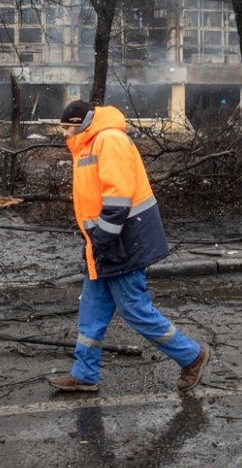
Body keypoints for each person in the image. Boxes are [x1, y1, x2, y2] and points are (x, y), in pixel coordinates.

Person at [49, 99, 210, 393]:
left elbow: (117, 198)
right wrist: (96, 244)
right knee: (91, 314)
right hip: (104, 245)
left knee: (135, 310)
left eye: (66, 128)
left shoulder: (109, 140)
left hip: (120, 243)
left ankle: (192, 355)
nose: (63, 135)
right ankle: (84, 374)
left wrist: (102, 240)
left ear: (78, 123)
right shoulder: (90, 144)